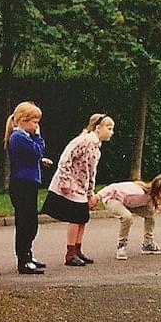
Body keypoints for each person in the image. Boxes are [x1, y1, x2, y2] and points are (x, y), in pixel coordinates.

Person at [43, 113, 113, 267]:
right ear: (97, 128)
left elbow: (91, 172)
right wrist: (65, 180)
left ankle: (78, 248)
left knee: (82, 218)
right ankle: (70, 253)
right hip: (71, 185)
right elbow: (65, 158)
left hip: (81, 187)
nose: (111, 132)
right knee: (75, 218)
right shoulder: (84, 141)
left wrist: (90, 193)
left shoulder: (96, 149)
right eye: (109, 128)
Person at [6, 101, 53, 275]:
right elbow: (36, 150)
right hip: (22, 184)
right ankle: (23, 259)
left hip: (29, 182)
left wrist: (40, 160)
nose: (37, 126)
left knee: (31, 222)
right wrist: (38, 136)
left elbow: (32, 157)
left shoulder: (24, 137)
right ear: (23, 120)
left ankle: (28, 254)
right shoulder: (19, 137)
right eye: (34, 122)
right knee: (25, 223)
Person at [97, 174, 161, 259]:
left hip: (130, 203)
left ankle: (148, 244)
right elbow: (112, 187)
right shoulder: (137, 191)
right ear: (158, 189)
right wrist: (97, 196)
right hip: (113, 199)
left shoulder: (151, 198)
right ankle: (121, 246)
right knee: (127, 217)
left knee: (150, 214)